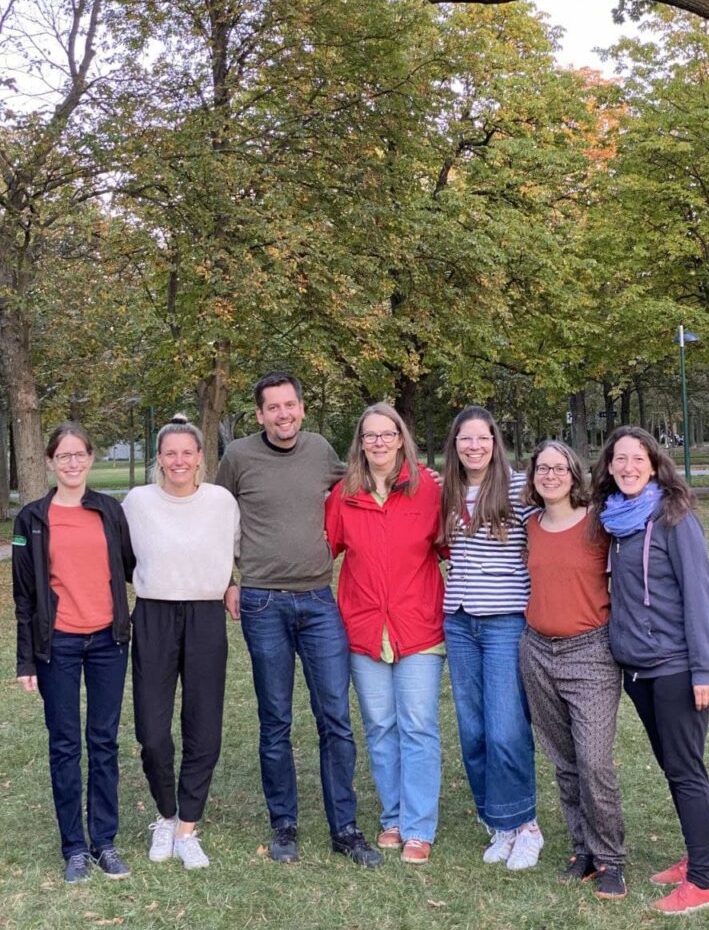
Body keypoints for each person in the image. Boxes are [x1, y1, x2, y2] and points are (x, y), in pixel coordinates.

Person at [216, 372, 382, 867]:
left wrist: (423, 478)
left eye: (290, 405)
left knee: (335, 717)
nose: (283, 414)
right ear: (260, 414)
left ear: (302, 409)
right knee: (276, 720)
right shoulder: (239, 457)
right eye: (273, 408)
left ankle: (345, 827)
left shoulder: (320, 451)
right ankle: (284, 823)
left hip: (317, 600)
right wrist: (228, 578)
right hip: (262, 602)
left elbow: (367, 480)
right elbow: (215, 516)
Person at [591, 426, 709, 916]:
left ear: (653, 463)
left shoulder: (674, 516)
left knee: (687, 770)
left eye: (637, 458)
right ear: (608, 467)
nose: (627, 466)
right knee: (674, 767)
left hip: (676, 667)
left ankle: (706, 881)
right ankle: (698, 856)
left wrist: (703, 670)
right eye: (618, 459)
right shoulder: (615, 521)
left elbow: (698, 595)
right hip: (637, 670)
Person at [12, 422, 134, 883]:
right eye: (62, 456)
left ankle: (104, 841)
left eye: (79, 454)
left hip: (108, 641)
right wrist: (26, 659)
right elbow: (24, 593)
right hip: (56, 644)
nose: (71, 462)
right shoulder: (32, 519)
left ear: (90, 457)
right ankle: (75, 847)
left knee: (103, 742)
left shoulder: (108, 510)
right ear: (50, 461)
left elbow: (127, 566)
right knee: (65, 745)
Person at [325, 404, 444, 865]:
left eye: (386, 434)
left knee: (417, 726)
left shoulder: (428, 490)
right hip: (363, 628)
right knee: (379, 726)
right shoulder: (344, 495)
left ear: (401, 439)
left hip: (418, 626)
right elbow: (322, 549)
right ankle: (392, 816)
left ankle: (418, 826)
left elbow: (454, 544)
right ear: (360, 442)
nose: (378, 442)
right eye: (369, 435)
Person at [122, 415, 240, 870]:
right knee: (152, 732)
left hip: (205, 615)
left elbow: (234, 551)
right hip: (153, 614)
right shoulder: (137, 502)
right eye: (170, 453)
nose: (178, 460)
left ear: (199, 458)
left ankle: (188, 827)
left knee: (203, 725)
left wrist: (232, 582)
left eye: (186, 452)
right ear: (159, 458)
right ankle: (166, 816)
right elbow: (125, 556)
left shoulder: (220, 501)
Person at [519, 440, 626, 900]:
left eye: (559, 468)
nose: (550, 475)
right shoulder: (529, 525)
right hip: (538, 651)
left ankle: (612, 860)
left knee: (594, 760)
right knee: (564, 761)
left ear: (574, 474)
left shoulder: (599, 524)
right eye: (542, 468)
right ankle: (582, 850)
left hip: (591, 652)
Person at [440, 405, 542, 870]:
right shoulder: (446, 490)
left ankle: (527, 825)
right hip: (459, 621)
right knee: (473, 730)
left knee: (505, 729)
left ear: (495, 442)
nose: (474, 446)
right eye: (465, 440)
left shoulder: (520, 488)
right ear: (455, 445)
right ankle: (499, 821)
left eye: (482, 438)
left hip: (504, 621)